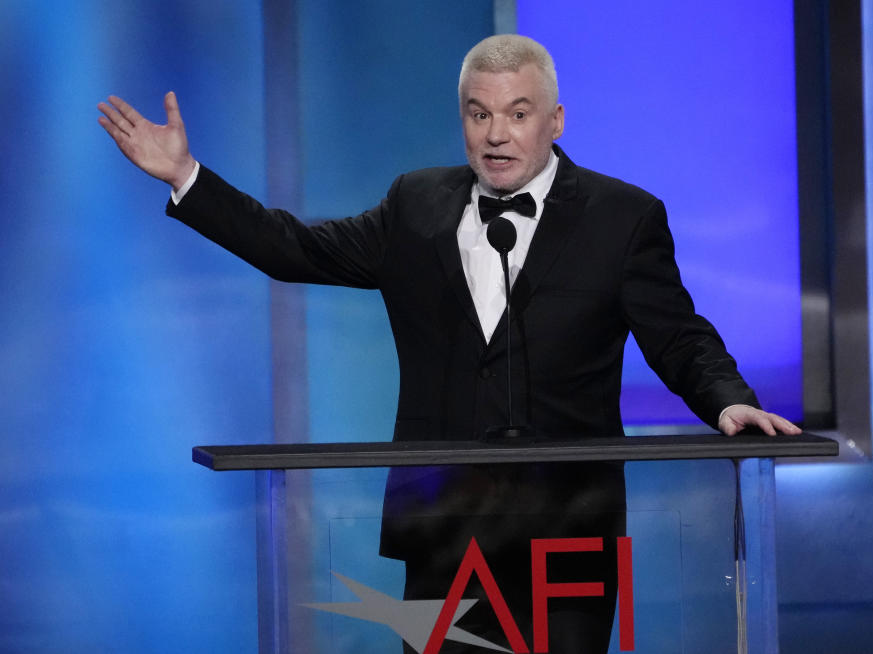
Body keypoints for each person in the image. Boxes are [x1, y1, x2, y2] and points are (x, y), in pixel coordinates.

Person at [99, 34, 799, 654]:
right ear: (463, 117)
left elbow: (678, 337)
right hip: (443, 535)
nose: (497, 134)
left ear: (555, 121)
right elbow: (295, 249)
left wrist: (728, 402)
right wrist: (187, 178)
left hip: (569, 537)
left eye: (519, 114)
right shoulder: (415, 205)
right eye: (479, 113)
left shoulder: (623, 218)